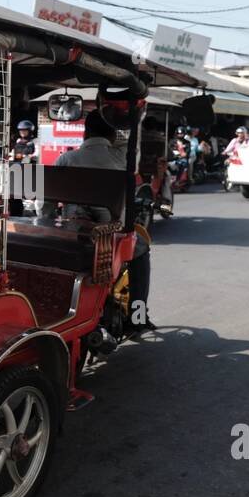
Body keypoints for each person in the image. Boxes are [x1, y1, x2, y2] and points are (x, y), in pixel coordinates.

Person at [52, 110, 155, 332]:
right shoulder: (120, 158)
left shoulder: (66, 158)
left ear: (85, 133)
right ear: (111, 134)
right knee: (142, 251)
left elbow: (46, 207)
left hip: (71, 232)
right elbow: (128, 143)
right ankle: (137, 317)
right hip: (109, 237)